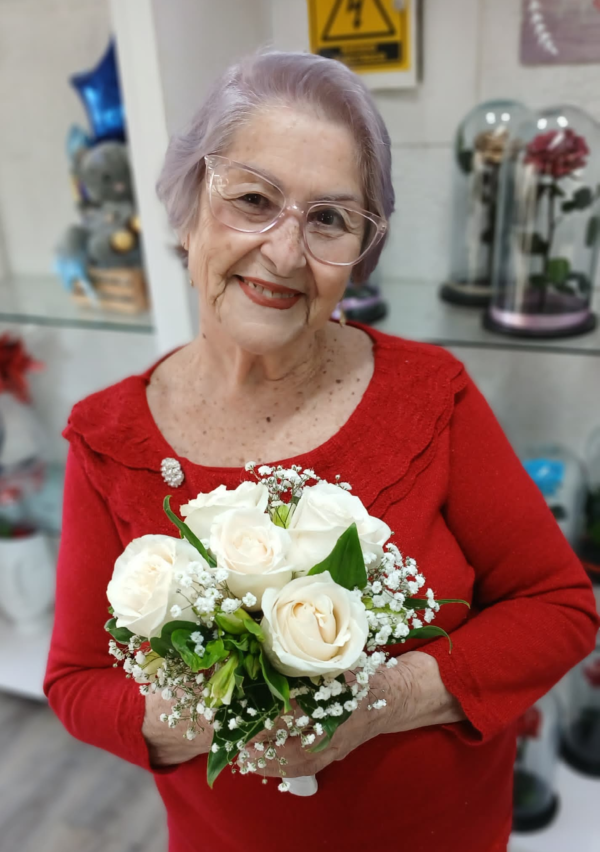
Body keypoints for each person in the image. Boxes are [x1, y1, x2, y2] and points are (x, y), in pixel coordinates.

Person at [44, 51, 599, 852]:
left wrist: (379, 700)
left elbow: (561, 609)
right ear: (190, 208)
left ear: (359, 256)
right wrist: (233, 713)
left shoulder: (429, 394)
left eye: (329, 219)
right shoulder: (107, 438)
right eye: (253, 200)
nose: (284, 252)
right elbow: (76, 684)